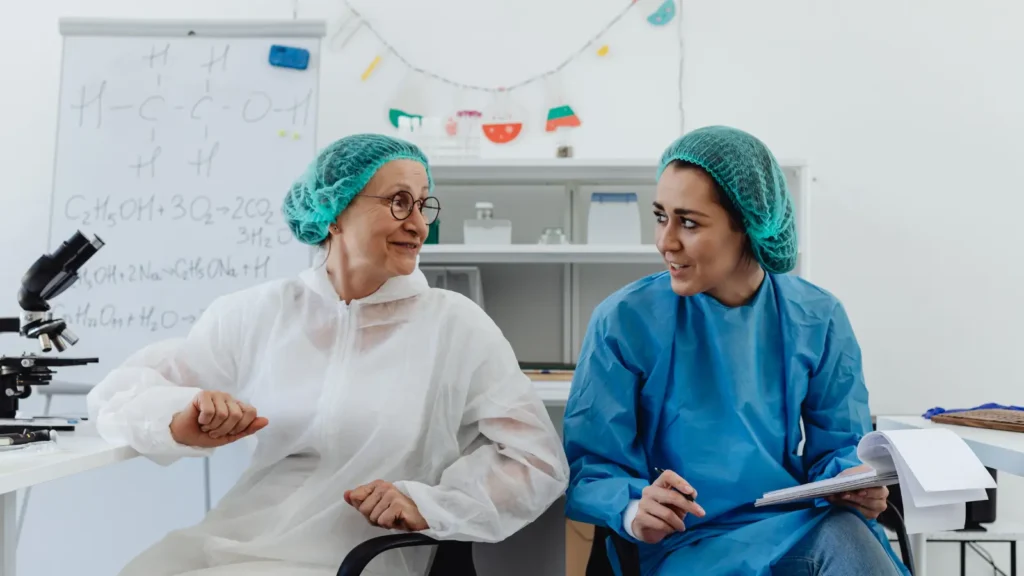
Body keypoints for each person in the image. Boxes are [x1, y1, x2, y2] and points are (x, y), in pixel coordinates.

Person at [87, 133, 569, 576]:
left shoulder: (454, 326)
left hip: (358, 558)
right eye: (400, 202)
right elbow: (119, 395)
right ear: (334, 210)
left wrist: (433, 503)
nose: (420, 225)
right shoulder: (258, 313)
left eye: (424, 206)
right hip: (233, 539)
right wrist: (181, 419)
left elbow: (538, 461)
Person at [562, 126, 909, 576]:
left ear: (746, 224)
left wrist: (852, 481)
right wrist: (634, 508)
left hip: (795, 528)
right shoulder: (625, 321)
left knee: (848, 536)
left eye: (688, 222)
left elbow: (839, 446)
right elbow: (591, 468)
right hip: (685, 544)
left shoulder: (817, 316)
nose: (666, 241)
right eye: (660, 216)